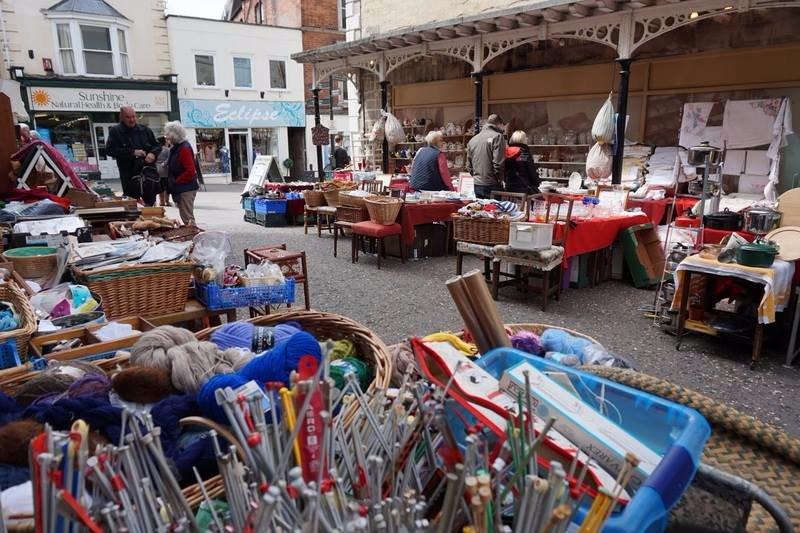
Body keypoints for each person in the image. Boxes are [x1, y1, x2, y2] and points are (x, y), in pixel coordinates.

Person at [106, 106, 161, 205]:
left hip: (147, 174)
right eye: (128, 117)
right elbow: (110, 150)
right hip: (129, 175)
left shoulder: (144, 130)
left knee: (151, 204)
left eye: (133, 117)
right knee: (132, 204)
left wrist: (152, 153)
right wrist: (132, 152)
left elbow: (157, 145)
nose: (132, 120)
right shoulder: (115, 131)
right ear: (121, 117)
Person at [164, 121, 199, 226]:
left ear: (173, 136)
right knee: (186, 216)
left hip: (186, 188)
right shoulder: (178, 147)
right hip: (183, 187)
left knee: (187, 217)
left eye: (168, 135)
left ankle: (193, 234)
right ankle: (192, 233)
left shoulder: (183, 148)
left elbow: (190, 171)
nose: (167, 137)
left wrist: (176, 182)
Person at [467, 114, 506, 199]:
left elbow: (469, 166)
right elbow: (498, 163)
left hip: (477, 184)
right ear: (499, 124)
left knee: (480, 207)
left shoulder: (473, 140)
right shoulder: (497, 137)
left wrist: (477, 177)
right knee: (494, 207)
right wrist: (500, 179)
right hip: (492, 183)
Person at [155, 136, 171, 207]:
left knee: (160, 186)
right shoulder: (168, 150)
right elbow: (169, 159)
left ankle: (161, 202)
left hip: (157, 169)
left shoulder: (156, 149)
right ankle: (167, 201)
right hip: (165, 170)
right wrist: (164, 163)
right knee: (166, 186)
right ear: (164, 141)